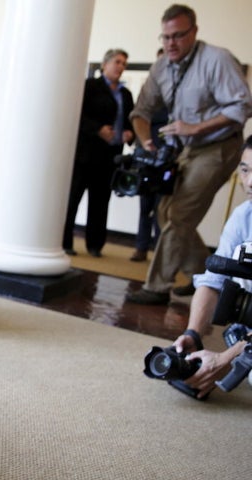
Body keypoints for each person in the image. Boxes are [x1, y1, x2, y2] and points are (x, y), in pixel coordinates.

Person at [125, 4, 252, 304]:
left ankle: (156, 288)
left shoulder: (216, 59)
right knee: (165, 211)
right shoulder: (161, 67)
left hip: (220, 146)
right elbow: (141, 112)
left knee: (179, 215)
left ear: (194, 32)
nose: (171, 43)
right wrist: (146, 142)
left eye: (178, 36)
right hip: (188, 148)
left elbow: (242, 107)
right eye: (165, 37)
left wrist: (196, 128)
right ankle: (203, 276)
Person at [171, 136, 252, 399]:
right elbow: (213, 279)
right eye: (245, 169)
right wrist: (193, 333)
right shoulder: (244, 216)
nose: (249, 182)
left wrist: (226, 358)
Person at [62, 49, 135, 257]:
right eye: (117, 62)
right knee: (73, 198)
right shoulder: (90, 86)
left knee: (101, 201)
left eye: (124, 64)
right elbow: (78, 114)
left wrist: (130, 132)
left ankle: (95, 245)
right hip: (86, 154)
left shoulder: (125, 94)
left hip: (110, 156)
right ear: (105, 64)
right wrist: (97, 129)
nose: (121, 67)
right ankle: (65, 241)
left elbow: (130, 119)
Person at [130, 48, 166, 263]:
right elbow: (138, 119)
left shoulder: (178, 95)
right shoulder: (148, 94)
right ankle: (141, 248)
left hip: (168, 160)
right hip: (147, 158)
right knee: (145, 206)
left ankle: (160, 254)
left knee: (162, 210)